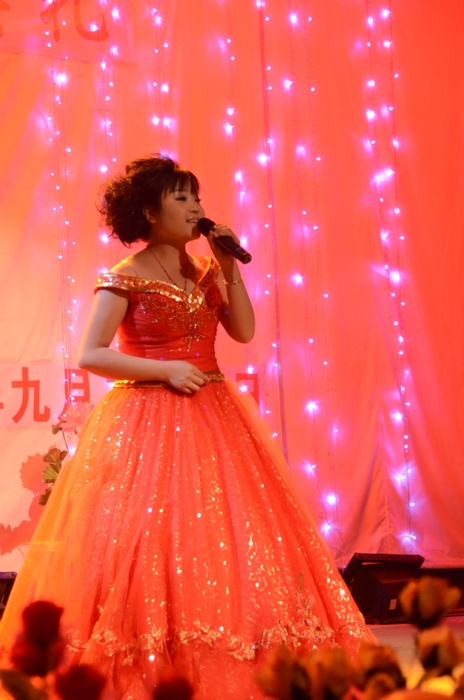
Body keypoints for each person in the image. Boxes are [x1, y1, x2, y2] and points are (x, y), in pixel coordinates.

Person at [0, 155, 375, 699]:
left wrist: (229, 267)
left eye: (196, 196)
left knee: (222, 536)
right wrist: (165, 370)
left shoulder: (206, 270)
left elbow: (243, 331)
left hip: (214, 414)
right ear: (149, 212)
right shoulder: (124, 276)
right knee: (151, 539)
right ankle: (157, 650)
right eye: (181, 198)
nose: (196, 207)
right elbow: (91, 354)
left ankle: (227, 642)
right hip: (147, 419)